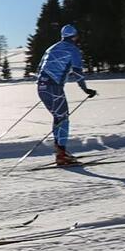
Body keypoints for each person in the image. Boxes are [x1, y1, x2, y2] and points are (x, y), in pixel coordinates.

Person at [36, 24, 97, 165]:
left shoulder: (51, 48)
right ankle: (62, 155)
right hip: (53, 88)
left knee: (58, 117)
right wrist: (85, 89)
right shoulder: (73, 50)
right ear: (74, 36)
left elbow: (39, 68)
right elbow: (77, 72)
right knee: (63, 119)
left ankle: (61, 152)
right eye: (77, 36)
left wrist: (45, 85)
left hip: (42, 87)